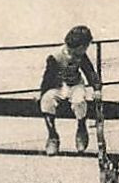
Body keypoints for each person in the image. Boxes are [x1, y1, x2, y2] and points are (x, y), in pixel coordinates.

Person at [40, 25, 99, 155]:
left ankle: (81, 129)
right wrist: (42, 94)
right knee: (47, 101)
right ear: (79, 46)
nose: (85, 50)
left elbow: (90, 72)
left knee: (79, 101)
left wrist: (96, 89)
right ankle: (52, 136)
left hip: (75, 85)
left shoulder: (81, 56)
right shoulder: (55, 57)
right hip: (58, 86)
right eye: (85, 46)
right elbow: (47, 78)